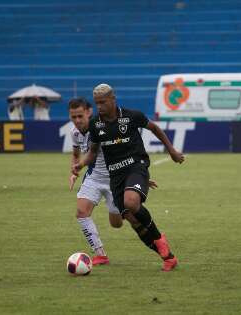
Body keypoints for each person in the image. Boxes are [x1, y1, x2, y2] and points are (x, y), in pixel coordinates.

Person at [72, 84, 184, 272]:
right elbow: (92, 152)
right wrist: (81, 164)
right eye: (97, 103)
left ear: (113, 99)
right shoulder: (95, 125)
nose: (99, 107)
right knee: (132, 220)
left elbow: (154, 128)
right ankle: (168, 257)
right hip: (115, 176)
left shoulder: (132, 116)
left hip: (136, 166)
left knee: (131, 202)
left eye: (103, 102)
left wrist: (171, 150)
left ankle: (159, 238)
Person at [68, 97, 122, 265]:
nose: (77, 121)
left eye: (80, 116)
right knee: (81, 213)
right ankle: (100, 254)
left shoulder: (102, 127)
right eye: (73, 117)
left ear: (89, 112)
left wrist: (136, 173)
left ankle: (124, 208)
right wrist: (74, 172)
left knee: (116, 223)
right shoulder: (74, 133)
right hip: (93, 178)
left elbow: (123, 151)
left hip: (114, 178)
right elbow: (76, 154)